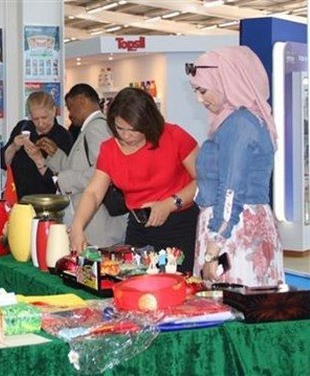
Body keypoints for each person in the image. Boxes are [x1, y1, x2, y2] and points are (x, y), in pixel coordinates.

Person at [69, 88, 199, 274]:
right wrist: (77, 226)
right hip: (139, 225)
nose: (125, 136)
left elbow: (205, 181)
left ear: (148, 124)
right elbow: (93, 193)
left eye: (133, 130)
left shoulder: (174, 136)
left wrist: (170, 204)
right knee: (133, 281)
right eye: (119, 128)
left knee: (176, 286)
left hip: (179, 224)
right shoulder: (109, 149)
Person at [186, 46, 285, 286]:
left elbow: (231, 190)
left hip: (233, 234)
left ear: (225, 81)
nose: (200, 99)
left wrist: (213, 249)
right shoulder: (243, 121)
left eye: (202, 90)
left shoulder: (239, 124)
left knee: (233, 311)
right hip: (236, 228)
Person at [37, 84, 126, 247]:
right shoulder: (90, 129)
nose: (70, 115)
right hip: (92, 224)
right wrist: (55, 154)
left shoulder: (97, 127)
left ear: (81, 101)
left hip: (99, 226)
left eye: (70, 108)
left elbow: (102, 173)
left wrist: (63, 180)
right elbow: (81, 167)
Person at [2, 91, 73, 201]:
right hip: (18, 200)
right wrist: (14, 146)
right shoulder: (23, 128)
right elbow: (4, 163)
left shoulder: (63, 136)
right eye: (35, 119)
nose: (40, 123)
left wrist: (38, 159)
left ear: (54, 111)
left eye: (44, 118)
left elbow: (64, 180)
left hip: (48, 202)